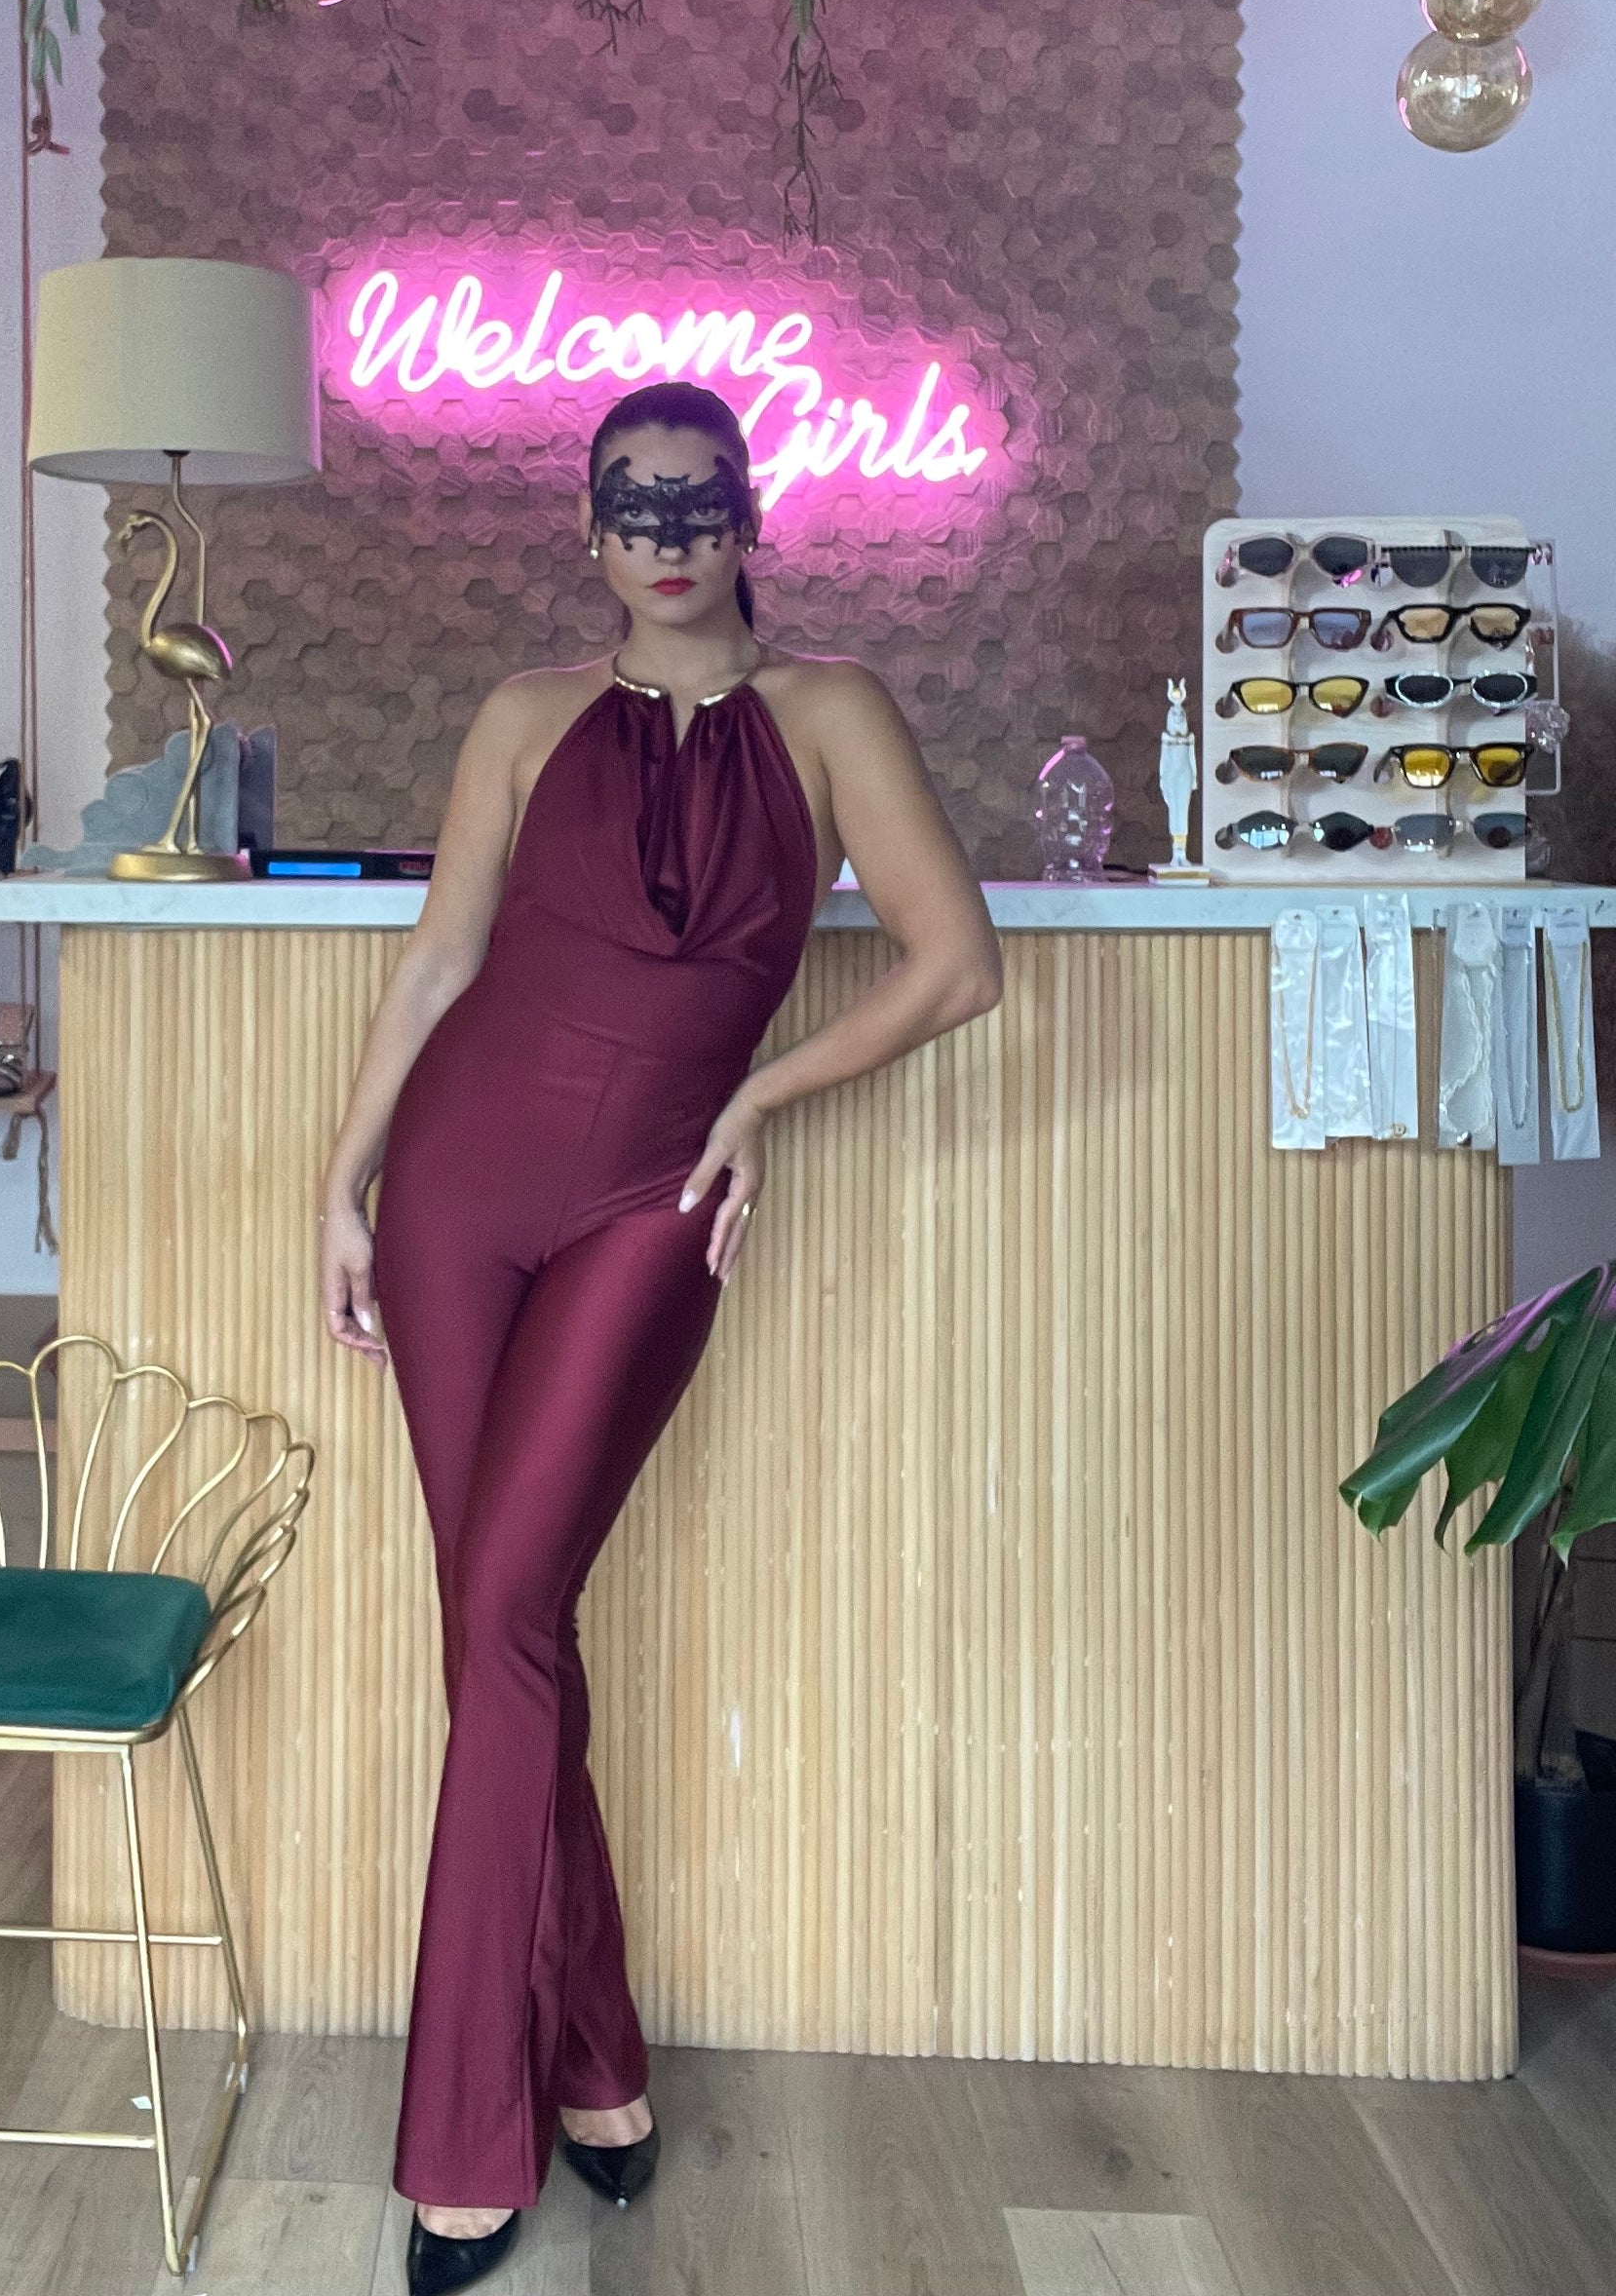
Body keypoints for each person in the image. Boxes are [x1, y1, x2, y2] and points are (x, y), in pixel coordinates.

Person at [318, 380, 1003, 2292]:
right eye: (632, 504)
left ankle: (469, 2137)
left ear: (751, 515)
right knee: (505, 1627)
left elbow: (958, 965)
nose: (666, 535)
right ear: (589, 528)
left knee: (505, 1617)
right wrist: (344, 1180)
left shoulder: (833, 710)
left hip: (654, 1196)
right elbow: (442, 960)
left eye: (699, 502)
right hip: (455, 1193)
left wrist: (764, 1095)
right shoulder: (524, 715)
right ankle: (596, 2061)